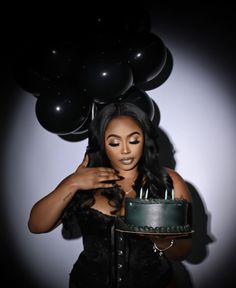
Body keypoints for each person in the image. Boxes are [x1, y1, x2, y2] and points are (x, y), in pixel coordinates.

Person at [28, 102, 192, 288]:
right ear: (102, 143)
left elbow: (183, 252)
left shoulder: (167, 181)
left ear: (145, 140)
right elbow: (36, 226)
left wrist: (159, 237)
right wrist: (71, 183)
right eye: (114, 142)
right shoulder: (84, 180)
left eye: (133, 140)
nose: (125, 150)